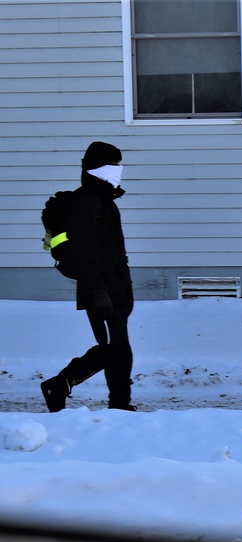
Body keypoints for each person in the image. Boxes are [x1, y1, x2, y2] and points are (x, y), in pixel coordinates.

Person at [41, 141, 135, 412]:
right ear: (97, 168)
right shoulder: (86, 202)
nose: (119, 170)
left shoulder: (105, 201)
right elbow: (85, 253)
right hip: (100, 288)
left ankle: (119, 404)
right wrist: (99, 292)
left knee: (119, 348)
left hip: (115, 287)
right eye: (114, 165)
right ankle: (62, 384)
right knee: (112, 348)